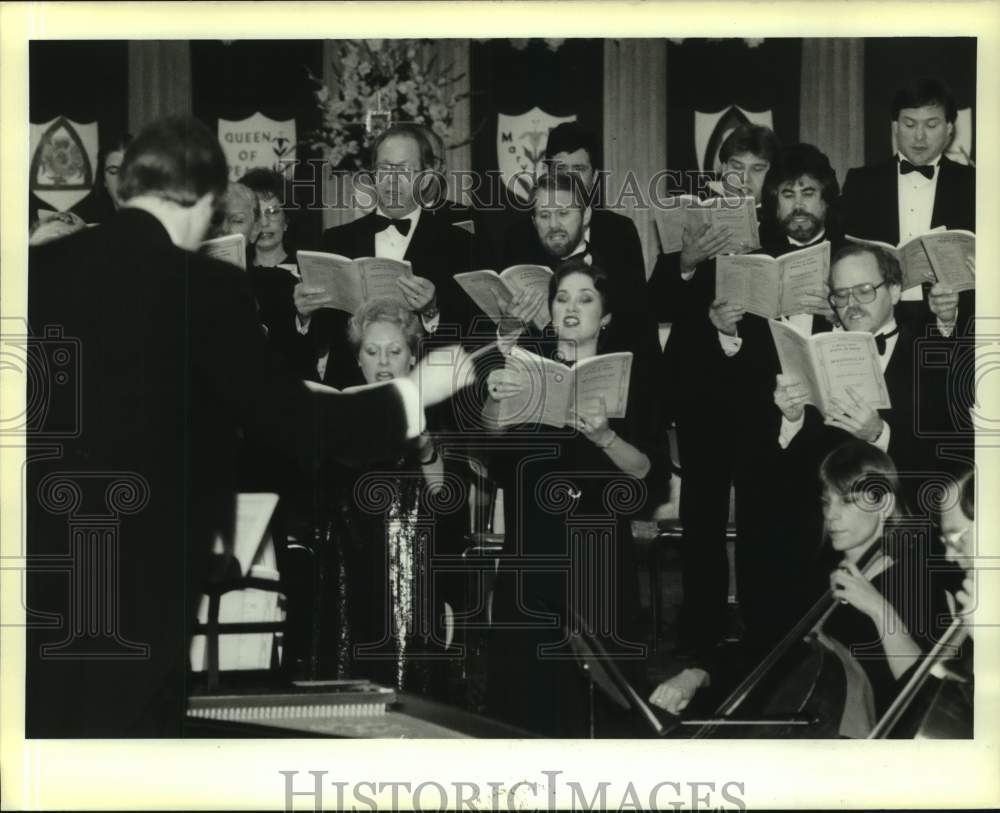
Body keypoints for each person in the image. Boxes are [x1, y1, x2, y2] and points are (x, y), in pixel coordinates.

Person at [25, 115, 473, 738]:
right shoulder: (207, 287)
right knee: (124, 747)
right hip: (145, 570)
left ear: (124, 188)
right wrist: (414, 394)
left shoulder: (35, 272)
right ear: (208, 202)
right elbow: (291, 422)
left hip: (32, 559)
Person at [481, 258, 667, 736]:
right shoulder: (525, 364)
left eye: (585, 299)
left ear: (605, 316)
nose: (571, 307)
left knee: (601, 707)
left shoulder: (634, 374)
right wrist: (498, 393)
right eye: (562, 298)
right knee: (524, 703)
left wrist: (605, 436)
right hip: (531, 547)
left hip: (598, 553)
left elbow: (649, 473)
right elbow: (488, 452)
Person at [650, 441, 954, 733]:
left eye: (847, 501)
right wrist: (697, 673)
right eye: (827, 501)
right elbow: (768, 644)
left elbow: (925, 693)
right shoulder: (818, 572)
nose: (832, 514)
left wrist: (878, 608)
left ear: (884, 504)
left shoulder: (915, 579)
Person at [646, 125, 782, 654]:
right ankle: (700, 629)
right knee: (701, 519)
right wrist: (686, 262)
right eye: (735, 168)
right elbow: (655, 304)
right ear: (717, 173)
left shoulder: (781, 233)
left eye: (757, 169)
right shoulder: (691, 224)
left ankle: (759, 626)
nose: (744, 180)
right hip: (700, 395)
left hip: (759, 397)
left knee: (758, 517)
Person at [326, 298, 462, 695]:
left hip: (416, 591)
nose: (383, 361)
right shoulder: (338, 414)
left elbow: (450, 508)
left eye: (394, 350)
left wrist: (426, 452)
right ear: (359, 361)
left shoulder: (436, 414)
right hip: (350, 585)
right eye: (372, 351)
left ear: (411, 357)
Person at [295, 123, 474, 388]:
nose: (392, 180)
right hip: (351, 396)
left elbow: (473, 336)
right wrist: (304, 316)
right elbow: (321, 340)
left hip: (428, 396)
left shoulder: (460, 243)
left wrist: (433, 311)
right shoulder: (335, 240)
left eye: (403, 170)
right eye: (384, 169)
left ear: (426, 177)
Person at [840, 78, 975, 337]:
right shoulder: (862, 182)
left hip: (950, 325)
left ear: (949, 128)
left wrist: (952, 312)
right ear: (895, 127)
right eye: (909, 124)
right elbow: (843, 254)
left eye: (931, 125)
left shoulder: (973, 185)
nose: (919, 136)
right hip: (878, 324)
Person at [500, 121, 647, 329]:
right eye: (560, 169)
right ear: (547, 173)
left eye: (578, 169)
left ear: (595, 178)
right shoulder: (519, 236)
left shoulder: (620, 232)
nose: (568, 178)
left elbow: (639, 318)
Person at [499, 171, 658, 361]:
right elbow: (511, 359)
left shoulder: (618, 273)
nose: (553, 225)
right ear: (534, 222)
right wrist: (508, 328)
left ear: (586, 215)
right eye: (544, 215)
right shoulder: (522, 278)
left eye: (563, 213)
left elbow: (640, 348)